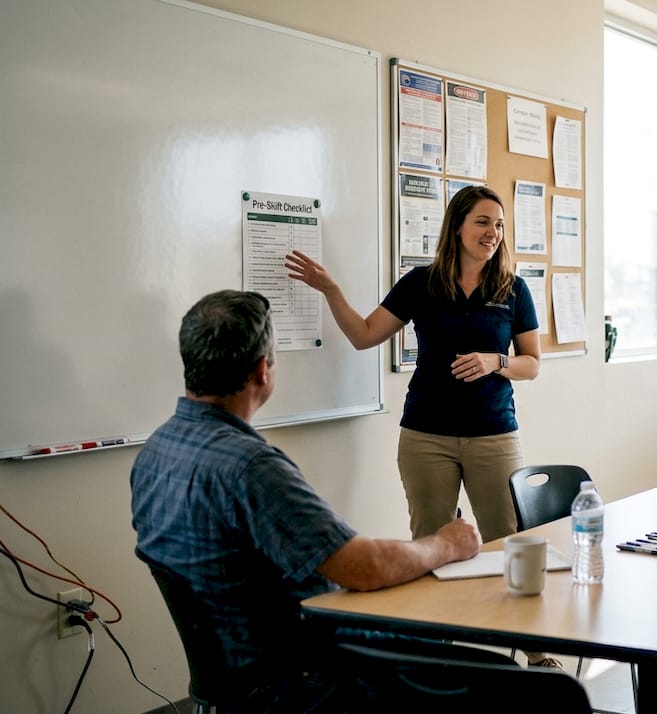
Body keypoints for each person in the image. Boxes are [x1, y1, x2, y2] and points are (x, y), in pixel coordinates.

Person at [131, 290, 482, 710]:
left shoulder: (157, 450)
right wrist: (446, 543)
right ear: (263, 370)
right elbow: (363, 568)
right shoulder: (250, 467)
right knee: (496, 678)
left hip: (231, 680)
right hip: (303, 675)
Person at [285, 184, 540, 545]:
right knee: (431, 544)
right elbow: (364, 335)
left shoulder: (513, 289)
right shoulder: (421, 283)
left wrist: (496, 361)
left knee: (507, 541)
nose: (493, 233)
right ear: (457, 226)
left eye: (499, 225)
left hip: (494, 434)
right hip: (427, 436)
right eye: (483, 222)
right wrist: (332, 291)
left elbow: (531, 364)